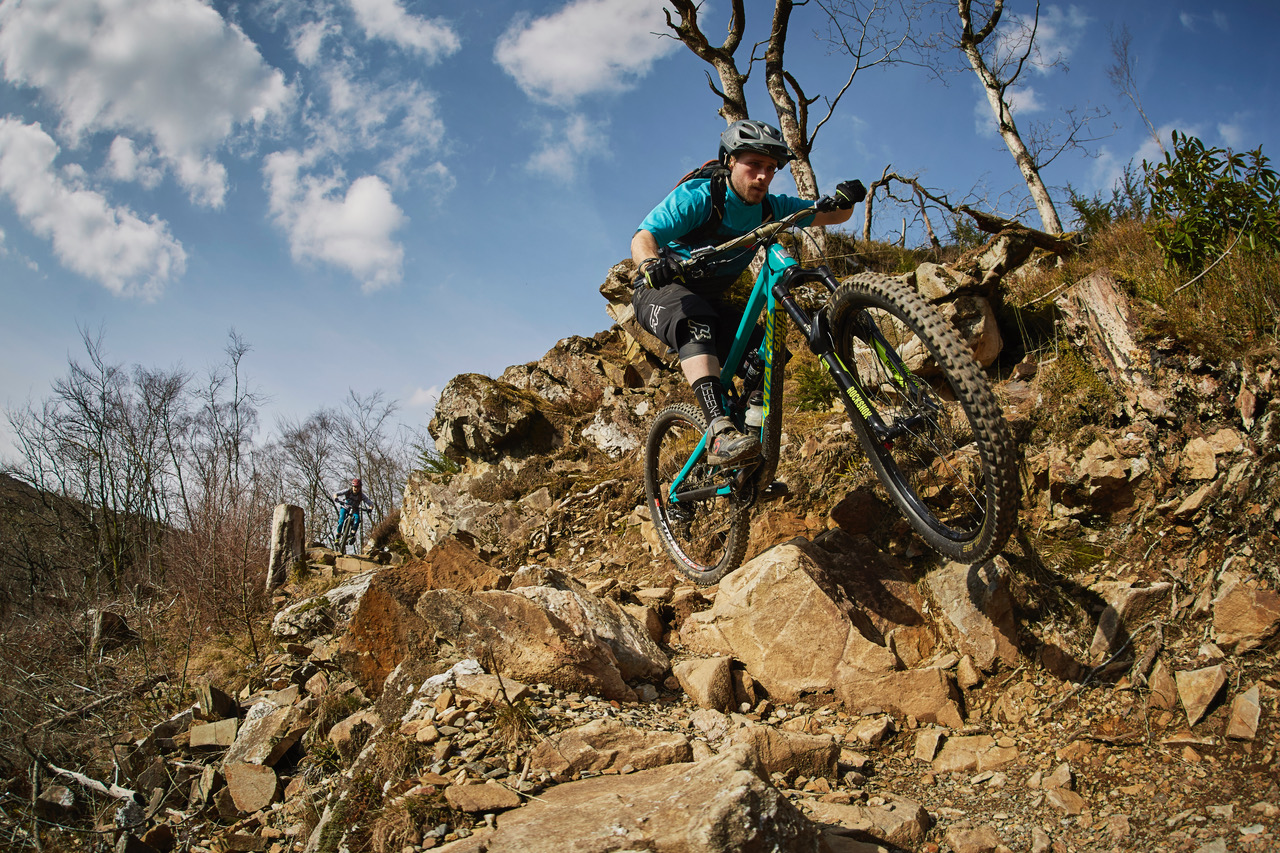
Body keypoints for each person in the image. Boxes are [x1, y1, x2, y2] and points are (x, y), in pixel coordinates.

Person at [631, 119, 864, 465]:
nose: (763, 176)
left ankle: (748, 458)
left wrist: (849, 199)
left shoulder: (770, 209)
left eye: (770, 168)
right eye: (754, 164)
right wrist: (651, 264)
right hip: (658, 290)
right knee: (696, 320)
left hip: (711, 301)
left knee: (770, 358)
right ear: (729, 161)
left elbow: (832, 216)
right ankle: (718, 432)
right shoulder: (700, 198)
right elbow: (643, 237)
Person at [333, 478, 373, 546]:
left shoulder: (361, 495)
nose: (356, 489)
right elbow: (336, 494)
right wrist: (336, 498)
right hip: (345, 508)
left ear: (360, 488)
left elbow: (370, 503)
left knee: (357, 520)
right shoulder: (348, 491)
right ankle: (337, 538)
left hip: (355, 509)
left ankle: (352, 535)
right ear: (352, 486)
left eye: (358, 487)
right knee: (341, 521)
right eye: (355, 487)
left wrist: (370, 508)